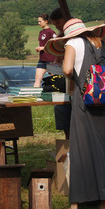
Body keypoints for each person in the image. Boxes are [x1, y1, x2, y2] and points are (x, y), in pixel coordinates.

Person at [45, 18, 105, 209]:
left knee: (81, 150)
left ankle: (75, 207)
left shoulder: (73, 43)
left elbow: (66, 69)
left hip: (84, 102)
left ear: (70, 35)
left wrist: (80, 79)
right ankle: (104, 204)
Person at [48, 8, 72, 139]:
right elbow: (58, 58)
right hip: (66, 81)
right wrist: (55, 67)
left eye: (57, 22)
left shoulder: (76, 36)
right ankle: (68, 140)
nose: (56, 26)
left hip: (78, 81)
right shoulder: (59, 38)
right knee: (61, 108)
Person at [34, 13, 57, 87]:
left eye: (40, 21)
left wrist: (42, 48)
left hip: (50, 59)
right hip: (42, 59)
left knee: (55, 78)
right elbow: (42, 43)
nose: (39, 23)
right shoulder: (41, 32)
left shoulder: (51, 32)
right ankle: (35, 96)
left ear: (46, 21)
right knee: (37, 79)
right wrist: (38, 48)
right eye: (38, 21)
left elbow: (54, 45)